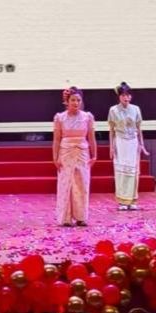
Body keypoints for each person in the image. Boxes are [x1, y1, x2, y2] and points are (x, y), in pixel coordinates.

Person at [53, 86, 96, 226]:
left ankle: (81, 217)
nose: (76, 103)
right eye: (73, 100)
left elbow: (91, 138)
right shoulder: (60, 118)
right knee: (66, 183)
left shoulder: (87, 117)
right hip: (66, 152)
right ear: (67, 101)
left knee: (82, 183)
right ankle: (66, 217)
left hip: (82, 152)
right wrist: (55, 157)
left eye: (78, 100)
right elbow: (56, 139)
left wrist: (94, 155)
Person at [108, 82, 148, 211]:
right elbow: (112, 130)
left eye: (128, 95)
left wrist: (142, 144)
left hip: (132, 142)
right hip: (120, 141)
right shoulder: (113, 110)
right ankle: (122, 201)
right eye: (123, 95)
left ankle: (132, 199)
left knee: (133, 171)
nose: (126, 98)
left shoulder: (136, 109)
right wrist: (111, 147)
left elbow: (139, 128)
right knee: (121, 171)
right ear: (119, 96)